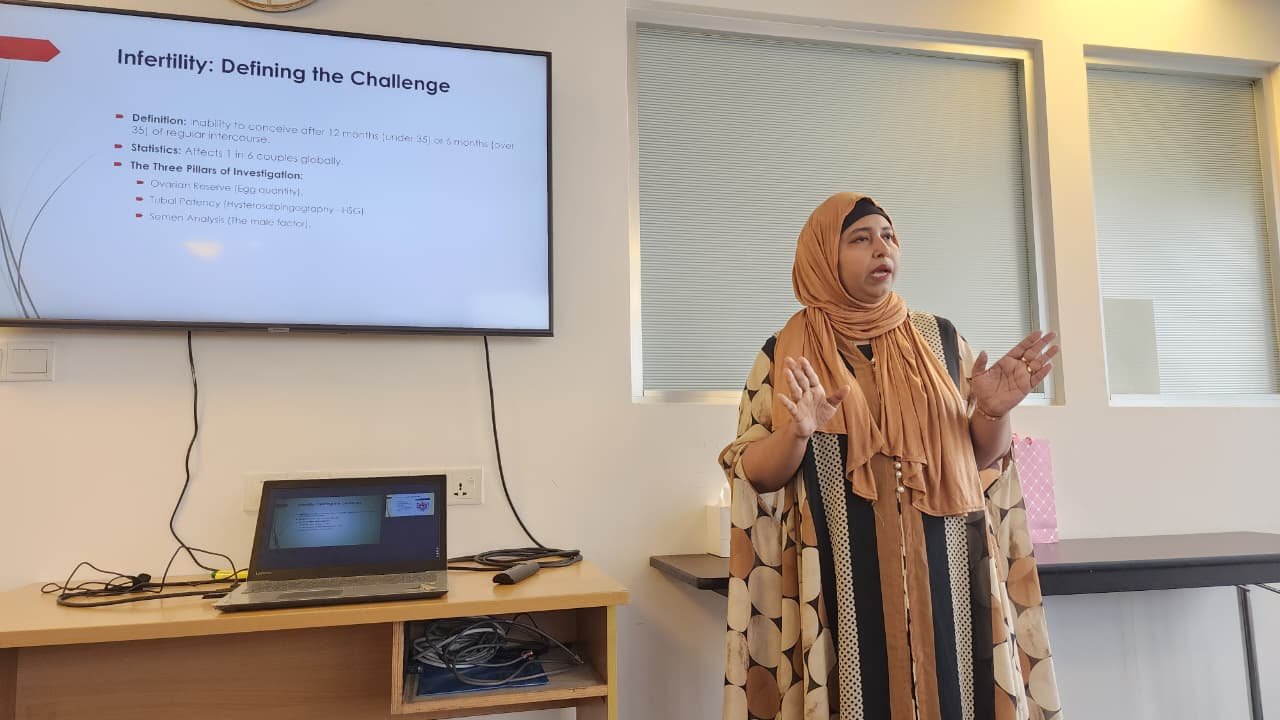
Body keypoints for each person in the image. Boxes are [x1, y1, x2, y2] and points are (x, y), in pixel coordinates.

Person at [719, 192, 1063, 720]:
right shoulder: (784, 352)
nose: (882, 248)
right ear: (823, 257)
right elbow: (755, 475)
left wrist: (994, 412)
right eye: (860, 239)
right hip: (837, 574)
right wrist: (796, 433)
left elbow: (981, 459)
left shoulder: (940, 340)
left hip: (948, 567)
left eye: (888, 236)